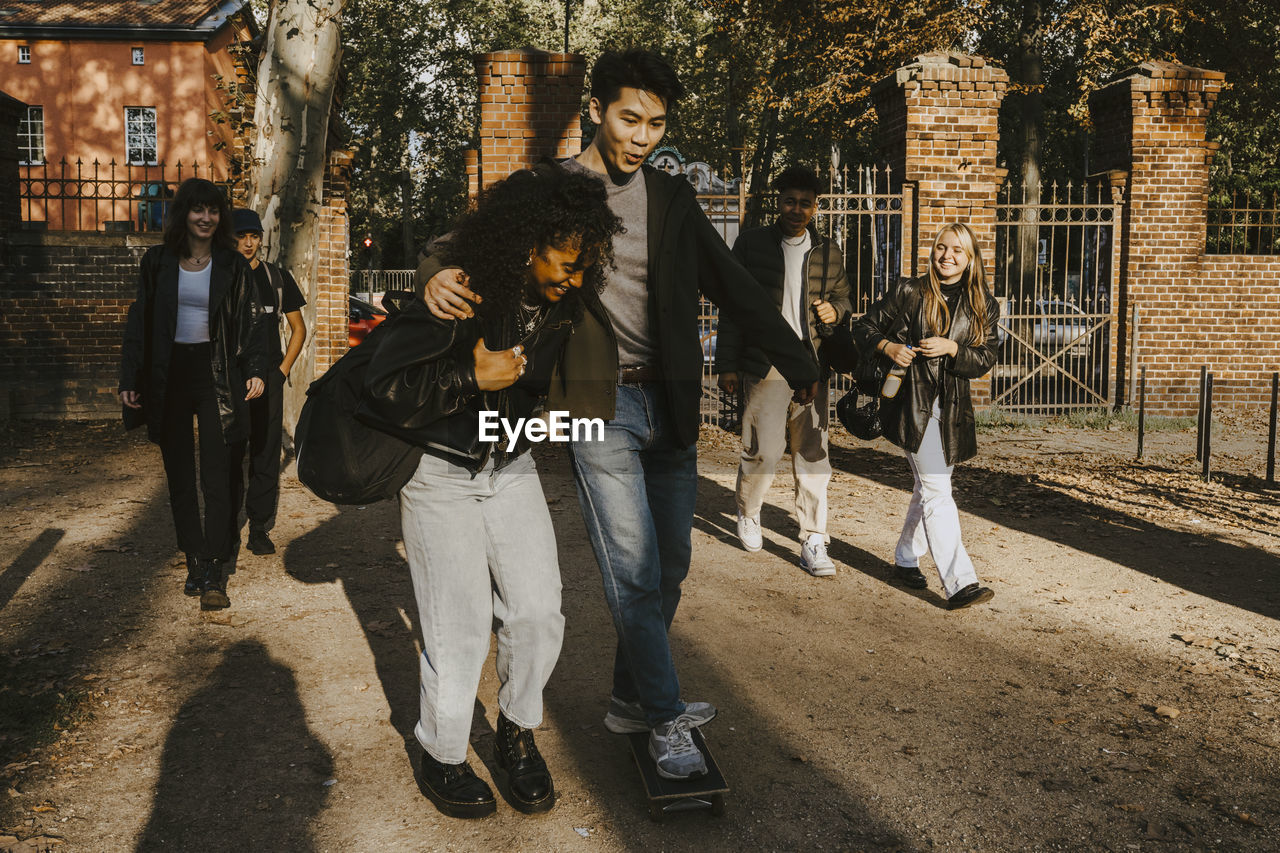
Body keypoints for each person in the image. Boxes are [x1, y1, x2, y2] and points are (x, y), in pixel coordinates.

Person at [420, 49, 821, 780]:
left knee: (671, 564)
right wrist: (432, 274)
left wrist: (803, 363)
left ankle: (631, 698)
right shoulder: (550, 188)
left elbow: (736, 288)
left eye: (655, 123)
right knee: (632, 571)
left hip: (670, 400)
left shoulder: (671, 198)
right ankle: (666, 718)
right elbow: (458, 245)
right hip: (595, 404)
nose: (640, 136)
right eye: (628, 118)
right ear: (596, 112)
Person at [360, 166, 622, 818]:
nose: (575, 278)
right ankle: (442, 751)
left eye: (585, 265)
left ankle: (516, 730)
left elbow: (582, 391)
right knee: (458, 626)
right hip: (439, 469)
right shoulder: (468, 280)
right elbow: (440, 259)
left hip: (510, 466)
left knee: (538, 608)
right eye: (565, 261)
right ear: (528, 242)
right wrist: (431, 281)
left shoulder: (569, 301)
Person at [119, 179, 266, 610]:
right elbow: (139, 323)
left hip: (217, 375)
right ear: (183, 213)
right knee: (181, 477)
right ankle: (194, 560)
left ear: (221, 217)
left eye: (214, 210)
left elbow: (252, 322)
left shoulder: (232, 265)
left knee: (218, 475)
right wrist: (131, 377)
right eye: (198, 209)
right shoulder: (157, 263)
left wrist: (255, 369)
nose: (206, 218)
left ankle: (216, 569)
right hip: (169, 376)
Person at [851, 222, 1000, 610]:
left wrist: (953, 347)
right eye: (941, 248)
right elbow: (863, 329)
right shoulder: (908, 291)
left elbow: (985, 359)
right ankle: (960, 581)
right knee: (937, 491)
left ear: (970, 260)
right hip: (909, 406)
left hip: (950, 412)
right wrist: (888, 347)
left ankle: (905, 557)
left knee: (927, 489)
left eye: (957, 251)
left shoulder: (982, 303)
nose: (946, 256)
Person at [715, 165, 851, 576]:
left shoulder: (829, 251)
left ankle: (813, 537)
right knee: (764, 448)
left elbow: (843, 298)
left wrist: (836, 310)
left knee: (813, 451)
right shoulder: (752, 245)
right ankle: (749, 512)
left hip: (811, 363)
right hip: (765, 361)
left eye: (805, 203)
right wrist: (727, 364)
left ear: (815, 207)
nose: (796, 209)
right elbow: (733, 307)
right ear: (779, 202)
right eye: (789, 201)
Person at [229, 208, 308, 556]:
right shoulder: (221, 276)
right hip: (231, 379)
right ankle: (227, 525)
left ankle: (258, 527)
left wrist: (281, 372)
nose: (248, 243)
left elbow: (298, 329)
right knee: (231, 451)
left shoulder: (277, 278)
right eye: (241, 236)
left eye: (254, 236)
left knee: (264, 452)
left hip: (270, 379)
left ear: (262, 238)